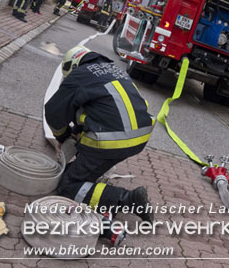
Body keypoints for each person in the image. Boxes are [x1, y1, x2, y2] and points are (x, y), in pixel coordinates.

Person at [44, 46, 153, 222]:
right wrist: (78, 134)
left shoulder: (79, 75)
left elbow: (53, 112)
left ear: (73, 66)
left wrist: (63, 137)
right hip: (138, 139)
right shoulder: (115, 69)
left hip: (109, 142)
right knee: (81, 170)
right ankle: (91, 168)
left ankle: (128, 199)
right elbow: (104, 108)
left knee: (68, 186)